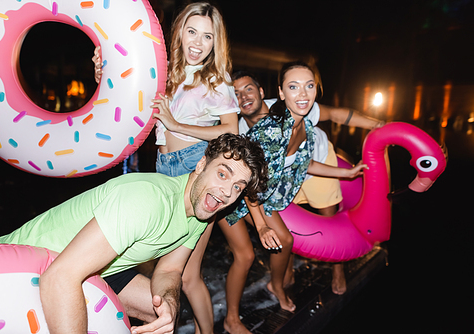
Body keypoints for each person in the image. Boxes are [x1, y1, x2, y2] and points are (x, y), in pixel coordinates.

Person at [0, 133, 268, 334]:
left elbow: (170, 271)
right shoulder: (147, 200)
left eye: (237, 187)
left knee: (159, 313)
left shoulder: (200, 212)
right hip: (24, 264)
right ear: (200, 165)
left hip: (98, 266)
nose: (226, 192)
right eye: (223, 174)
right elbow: (60, 276)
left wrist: (169, 305)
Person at [94, 4, 239, 333]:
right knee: (146, 261)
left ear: (216, 42)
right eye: (192, 32)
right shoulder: (165, 70)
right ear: (179, 32)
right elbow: (128, 96)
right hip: (163, 167)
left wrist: (176, 124)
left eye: (207, 36)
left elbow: (232, 130)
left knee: (187, 275)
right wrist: (102, 74)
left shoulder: (216, 80)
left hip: (195, 168)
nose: (198, 43)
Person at [216, 61, 368, 334]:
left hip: (256, 194)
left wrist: (346, 174)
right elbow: (249, 182)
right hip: (233, 195)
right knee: (246, 256)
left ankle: (276, 284)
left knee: (284, 239)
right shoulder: (271, 132)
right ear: (281, 93)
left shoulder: (302, 121)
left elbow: (305, 163)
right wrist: (261, 225)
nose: (303, 94)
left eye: (309, 86)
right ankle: (232, 319)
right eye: (294, 87)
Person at [233, 70, 385, 296]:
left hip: (316, 163)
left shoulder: (294, 105)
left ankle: (337, 268)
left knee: (328, 215)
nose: (244, 97)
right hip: (281, 180)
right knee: (290, 223)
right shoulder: (242, 132)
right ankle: (287, 271)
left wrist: (378, 124)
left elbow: (337, 115)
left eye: (248, 89)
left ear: (263, 92)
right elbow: (248, 177)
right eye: (236, 94)